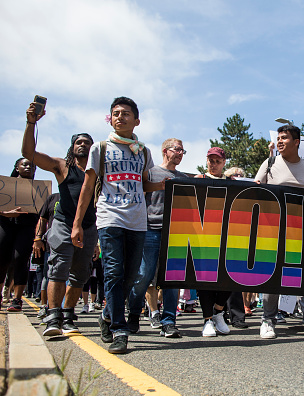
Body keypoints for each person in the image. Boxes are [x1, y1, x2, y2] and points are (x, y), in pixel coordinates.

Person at [71, 97, 161, 354]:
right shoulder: (99, 148)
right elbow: (88, 187)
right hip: (110, 217)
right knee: (113, 272)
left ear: (137, 120)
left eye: (125, 113)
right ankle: (119, 330)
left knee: (132, 276)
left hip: (137, 220)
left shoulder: (143, 151)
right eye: (115, 113)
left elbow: (144, 185)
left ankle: (107, 315)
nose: (119, 117)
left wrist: (161, 186)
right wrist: (77, 224)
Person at [22, 103, 100, 336]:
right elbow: (29, 154)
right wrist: (31, 123)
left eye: (87, 142)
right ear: (72, 146)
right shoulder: (62, 166)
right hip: (64, 224)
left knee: (80, 274)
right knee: (58, 269)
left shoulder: (99, 170)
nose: (83, 144)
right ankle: (53, 315)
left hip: (89, 228)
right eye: (79, 142)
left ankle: (67, 314)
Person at [254, 125, 304, 340]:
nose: (280, 141)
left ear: (297, 142)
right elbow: (253, 190)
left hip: (300, 231)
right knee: (274, 274)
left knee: (300, 275)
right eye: (278, 138)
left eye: (285, 138)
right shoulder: (270, 163)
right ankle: (267, 320)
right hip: (272, 229)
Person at [128, 138, 186, 338]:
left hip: (174, 234)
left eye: (182, 151)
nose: (180, 153)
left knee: (172, 280)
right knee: (144, 276)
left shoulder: (184, 178)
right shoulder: (150, 173)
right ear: (165, 150)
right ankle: (134, 315)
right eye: (177, 149)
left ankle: (169, 321)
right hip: (151, 230)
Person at [194, 147, 233, 336]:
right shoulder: (199, 180)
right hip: (204, 235)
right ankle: (208, 319)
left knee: (231, 275)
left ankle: (218, 311)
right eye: (210, 160)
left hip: (228, 236)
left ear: (224, 163)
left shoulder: (232, 182)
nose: (213, 164)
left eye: (217, 161)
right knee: (205, 279)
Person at [0, 158, 38, 311]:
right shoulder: (5, 186)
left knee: (20, 259)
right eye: (25, 164)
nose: (29, 167)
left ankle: (17, 300)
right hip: (5, 224)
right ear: (17, 168)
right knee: (2, 260)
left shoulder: (38, 189)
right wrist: (5, 213)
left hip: (27, 227)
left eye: (32, 166)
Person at [32, 192, 60, 320]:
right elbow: (42, 220)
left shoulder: (81, 194)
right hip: (52, 243)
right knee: (48, 275)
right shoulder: (53, 198)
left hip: (74, 243)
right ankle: (44, 306)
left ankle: (61, 308)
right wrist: (38, 238)